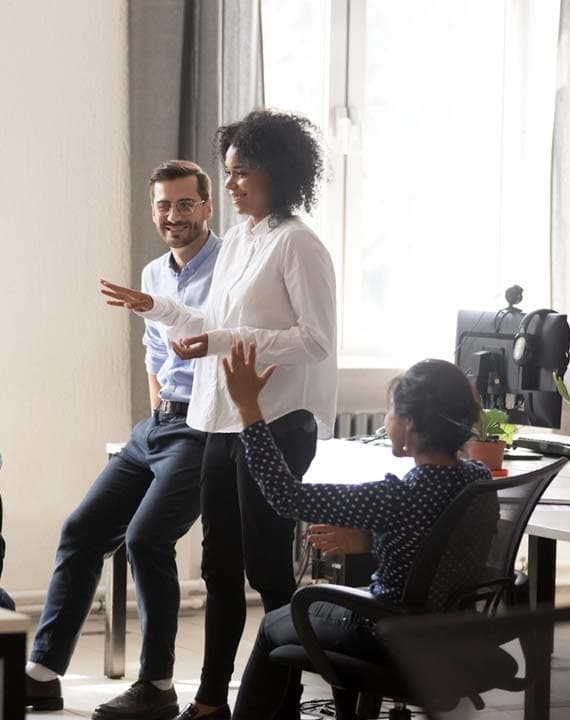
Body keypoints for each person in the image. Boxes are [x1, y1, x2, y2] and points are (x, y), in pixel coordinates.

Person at [100, 109, 337, 720]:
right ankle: (211, 700)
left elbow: (315, 340)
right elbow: (211, 325)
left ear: (276, 173)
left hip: (276, 421)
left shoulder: (298, 243)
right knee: (218, 569)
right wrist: (159, 307)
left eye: (240, 173)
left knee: (266, 569)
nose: (229, 185)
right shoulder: (240, 240)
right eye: (227, 172)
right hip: (217, 420)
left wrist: (227, 340)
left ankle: (281, 702)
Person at [26, 160, 221, 720]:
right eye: (163, 205)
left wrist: (180, 409)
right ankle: (42, 673)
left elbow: (211, 333)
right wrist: (157, 403)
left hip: (204, 426)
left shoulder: (231, 266)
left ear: (207, 207)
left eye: (185, 204)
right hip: (158, 424)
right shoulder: (154, 271)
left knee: (146, 540)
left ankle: (157, 687)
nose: (173, 215)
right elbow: (154, 354)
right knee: (82, 530)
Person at [221, 342, 490, 720]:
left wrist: (248, 408)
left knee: (271, 625)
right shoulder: (477, 479)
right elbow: (442, 549)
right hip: (450, 633)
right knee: (329, 604)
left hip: (387, 634)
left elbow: (286, 497)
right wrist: (370, 539)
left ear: (409, 423)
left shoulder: (398, 495)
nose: (385, 422)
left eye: (390, 412)